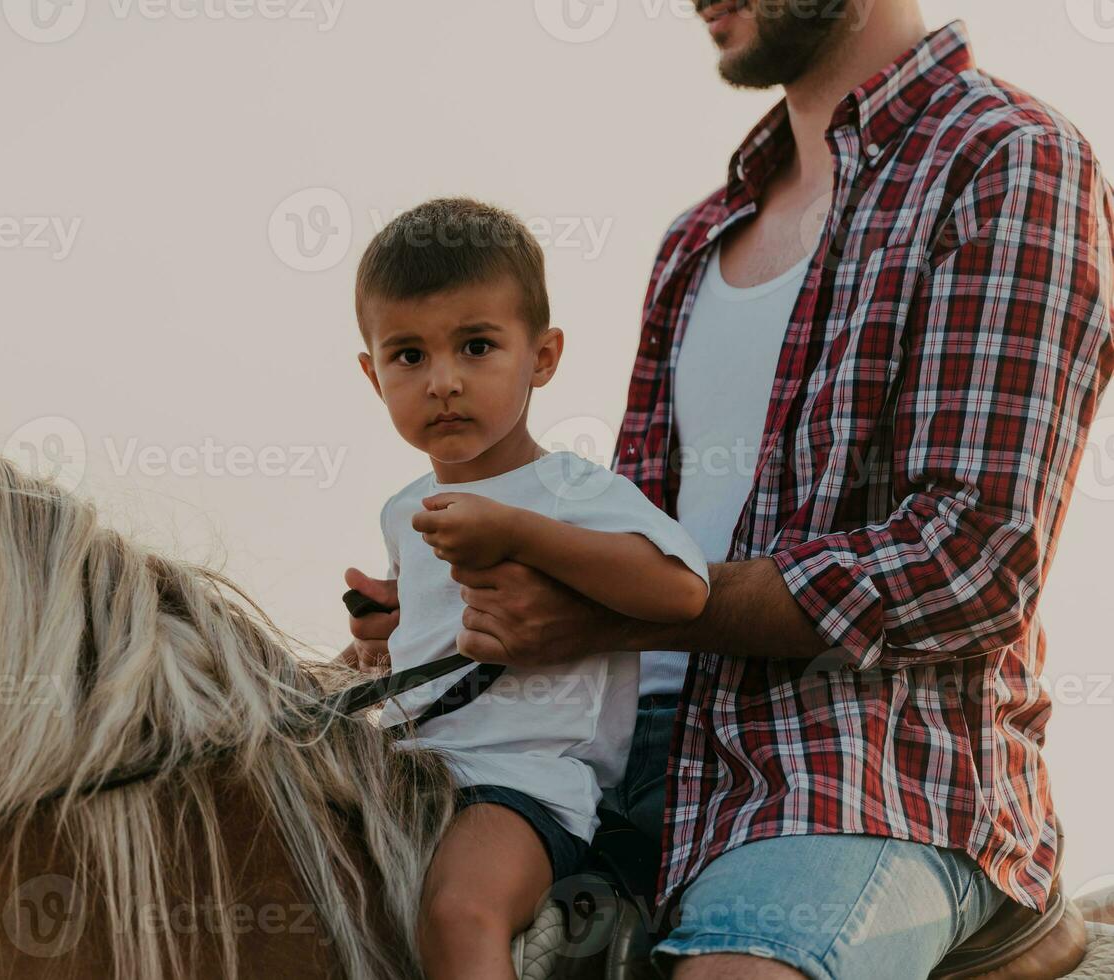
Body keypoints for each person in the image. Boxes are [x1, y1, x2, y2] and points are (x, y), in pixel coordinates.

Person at [347, 5, 1114, 979]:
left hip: (858, 778)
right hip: (612, 777)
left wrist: (613, 615)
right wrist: (451, 613)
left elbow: (969, 559)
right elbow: (629, 523)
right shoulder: (697, 238)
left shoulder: (1006, 160)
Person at [338, 197, 711, 980]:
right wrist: (377, 639)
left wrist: (522, 536)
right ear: (372, 376)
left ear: (542, 357)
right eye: (409, 356)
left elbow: (682, 594)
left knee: (458, 913)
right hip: (409, 765)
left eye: (477, 346)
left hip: (523, 783)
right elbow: (434, 634)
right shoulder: (403, 511)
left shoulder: (573, 493)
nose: (443, 382)